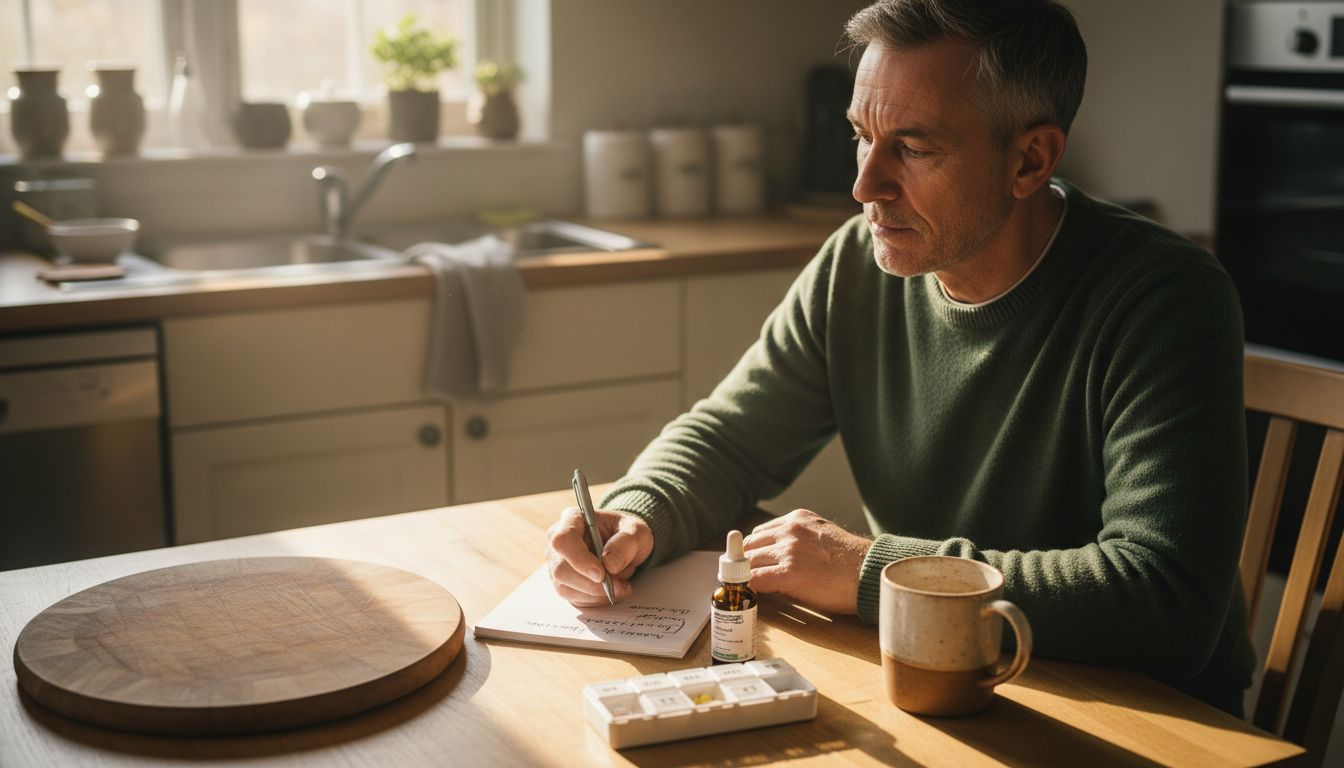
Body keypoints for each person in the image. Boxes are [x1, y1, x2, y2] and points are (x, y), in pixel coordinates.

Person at [547, 0, 1254, 714]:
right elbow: (729, 440)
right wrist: (639, 513)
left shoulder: (1166, 297)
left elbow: (1167, 599)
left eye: (914, 150)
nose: (865, 187)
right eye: (863, 135)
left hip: (1140, 713)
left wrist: (865, 569)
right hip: (931, 676)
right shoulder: (856, 265)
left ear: (1030, 160)